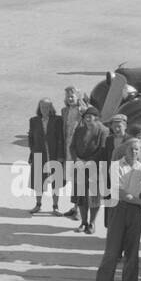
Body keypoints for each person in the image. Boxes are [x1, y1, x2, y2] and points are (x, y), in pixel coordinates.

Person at [91, 139, 141, 281]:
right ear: (125, 150)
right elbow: (119, 192)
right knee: (112, 251)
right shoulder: (116, 166)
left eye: (137, 150)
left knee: (132, 251)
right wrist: (139, 202)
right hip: (119, 208)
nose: (134, 152)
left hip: (135, 213)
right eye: (131, 149)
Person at [70, 107, 109, 234]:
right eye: (86, 116)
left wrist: (88, 162)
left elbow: (102, 149)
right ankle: (83, 222)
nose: (88, 118)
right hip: (80, 167)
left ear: (96, 117)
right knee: (81, 197)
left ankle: (92, 223)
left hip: (95, 169)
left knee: (94, 197)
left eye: (91, 116)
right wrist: (77, 159)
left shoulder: (103, 130)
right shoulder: (80, 129)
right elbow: (72, 146)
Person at [29, 98, 65, 214]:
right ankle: (38, 205)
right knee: (38, 181)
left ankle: (55, 206)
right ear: (39, 108)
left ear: (51, 108)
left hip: (54, 154)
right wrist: (33, 151)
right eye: (42, 107)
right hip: (39, 153)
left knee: (56, 182)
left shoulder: (58, 120)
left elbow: (61, 138)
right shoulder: (34, 120)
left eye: (47, 107)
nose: (44, 109)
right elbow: (31, 137)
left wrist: (60, 155)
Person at [59, 87, 86, 219]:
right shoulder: (64, 111)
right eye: (68, 96)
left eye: (72, 96)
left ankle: (80, 210)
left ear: (78, 97)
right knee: (73, 180)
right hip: (67, 149)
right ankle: (75, 206)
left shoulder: (83, 111)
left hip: (78, 150)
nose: (70, 98)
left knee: (79, 180)